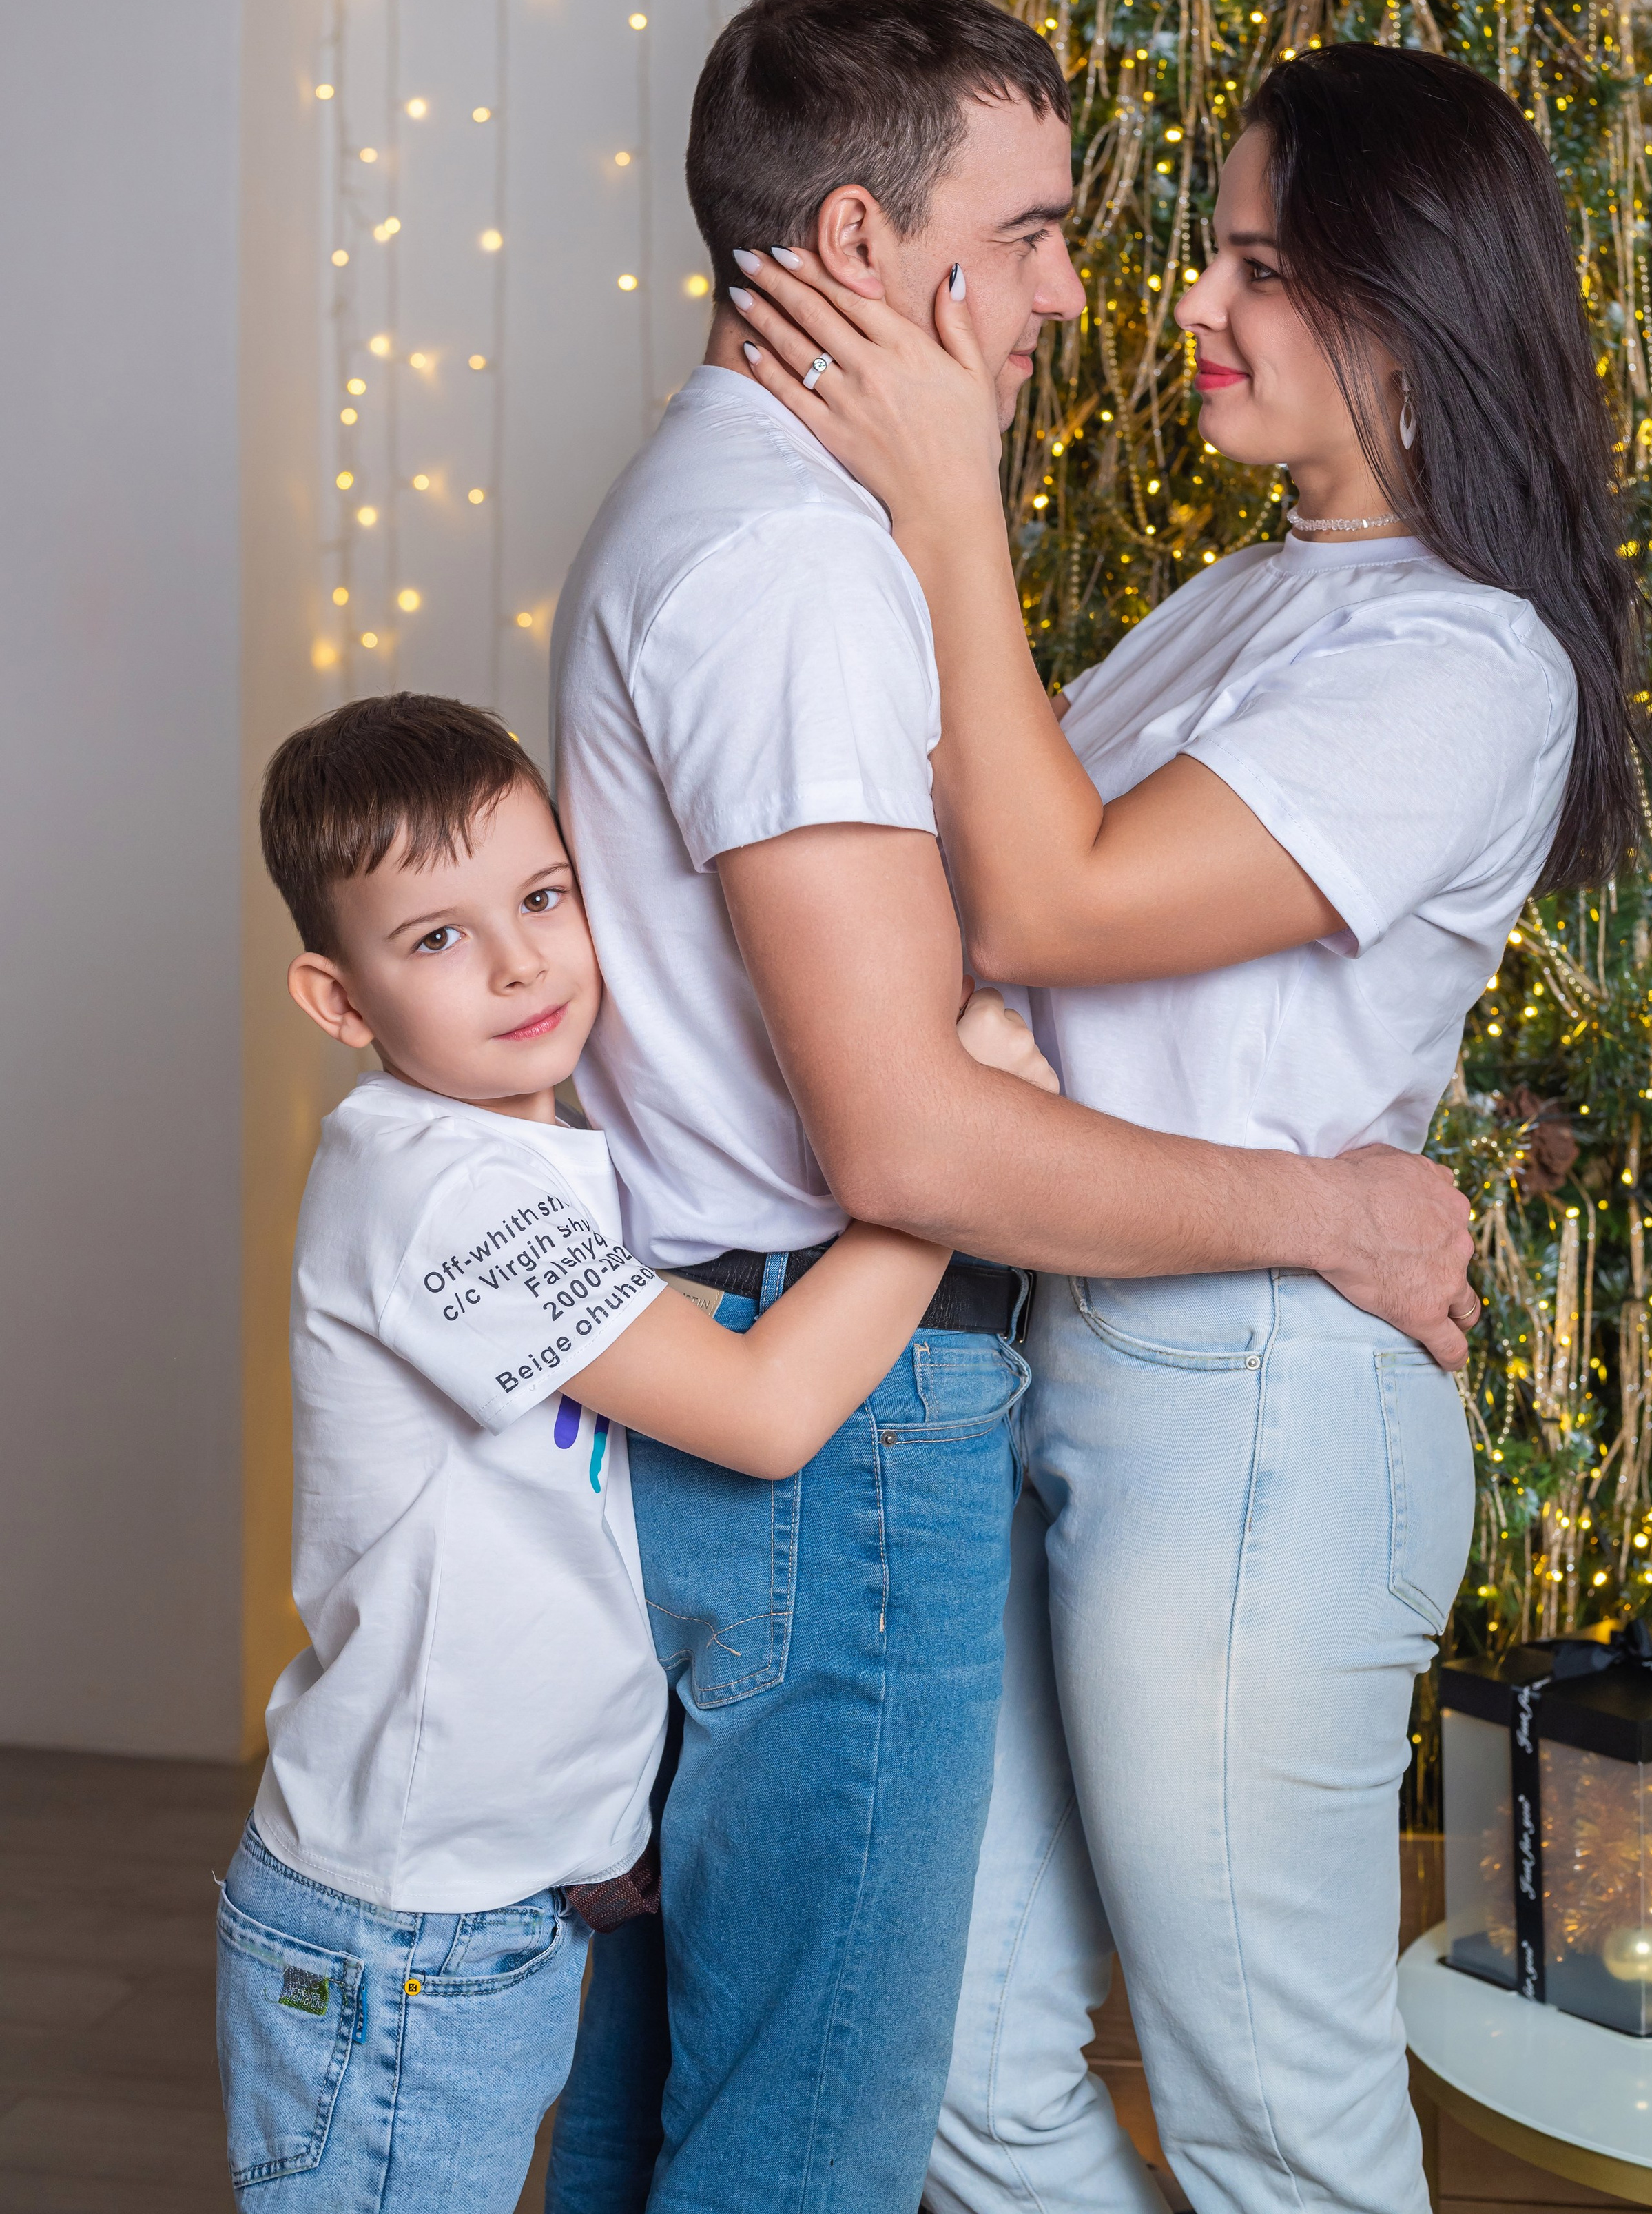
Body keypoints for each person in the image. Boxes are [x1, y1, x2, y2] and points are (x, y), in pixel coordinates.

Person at [544, 0, 1479, 2214]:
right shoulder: (800, 556)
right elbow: (940, 1052)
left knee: (821, 2082)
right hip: (857, 1383)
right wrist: (1332, 1205)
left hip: (1110, 1403)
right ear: (868, 247)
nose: (1109, 287)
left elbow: (999, 927)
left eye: (1249, 257)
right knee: (832, 2104)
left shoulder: (1445, 645)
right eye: (1046, 225)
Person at [727, 39, 1647, 2214]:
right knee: (955, 2049)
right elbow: (985, 907)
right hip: (1071, 1355)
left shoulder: (1468, 657)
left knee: (1275, 2117)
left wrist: (949, 500)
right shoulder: (1246, 595)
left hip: (1255, 1419)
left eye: (1256, 264)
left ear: (1403, 297)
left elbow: (1053, 896)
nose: (1191, 309)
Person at [216, 690, 1051, 2213]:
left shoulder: (523, 1159)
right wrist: (955, 1137)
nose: (521, 959)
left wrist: (590, 1820)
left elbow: (542, 1531)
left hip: (489, 1901)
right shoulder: (435, 1190)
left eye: (541, 897)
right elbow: (762, 1408)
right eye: (436, 938)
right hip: (400, 1938)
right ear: (339, 1002)